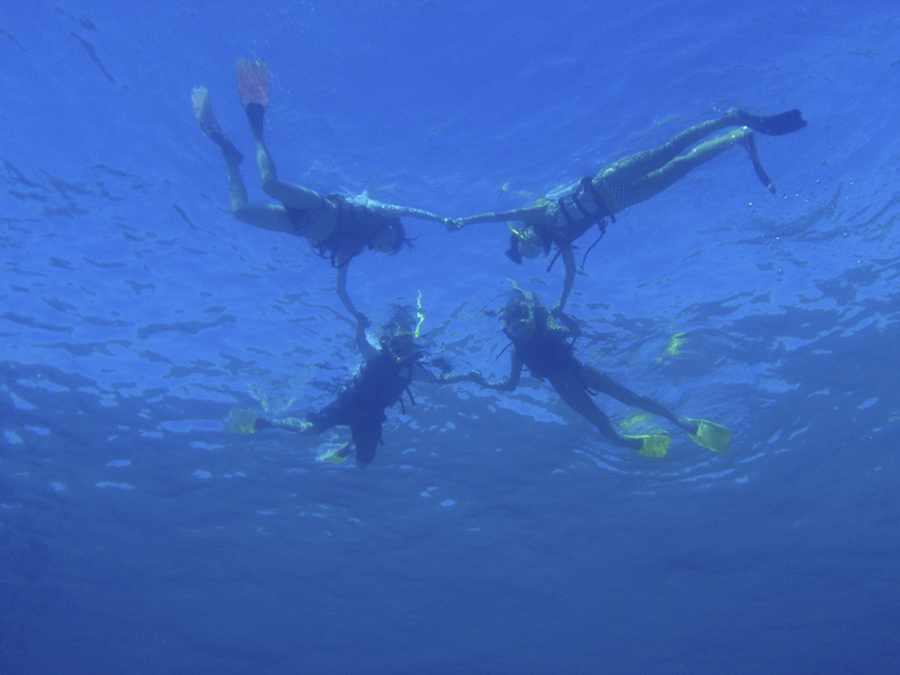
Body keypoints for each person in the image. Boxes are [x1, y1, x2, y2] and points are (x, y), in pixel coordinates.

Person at [445, 108, 807, 310]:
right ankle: (738, 136)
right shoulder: (561, 243)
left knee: (668, 150)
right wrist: (561, 304)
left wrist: (465, 220)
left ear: (522, 236)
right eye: (530, 253)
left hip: (608, 182)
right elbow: (569, 275)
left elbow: (496, 216)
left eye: (524, 246)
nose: (531, 249)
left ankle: (729, 117)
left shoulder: (539, 215)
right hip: (623, 201)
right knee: (683, 168)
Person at [193, 60, 447, 323]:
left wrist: (355, 314)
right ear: (391, 227)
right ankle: (256, 128)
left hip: (297, 226)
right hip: (318, 207)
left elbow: (341, 289)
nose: (384, 245)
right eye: (390, 240)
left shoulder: (353, 248)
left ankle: (230, 156)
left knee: (240, 211)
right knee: (269, 185)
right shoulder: (374, 211)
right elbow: (406, 210)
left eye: (386, 249)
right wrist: (441, 220)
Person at [471, 291, 732, 457]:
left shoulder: (549, 331)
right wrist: (480, 381)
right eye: (514, 328)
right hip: (567, 391)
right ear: (507, 329)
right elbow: (510, 385)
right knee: (602, 423)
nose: (520, 331)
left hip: (584, 373)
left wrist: (563, 316)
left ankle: (681, 423)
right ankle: (629, 444)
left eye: (523, 324)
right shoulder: (518, 354)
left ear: (530, 320)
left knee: (633, 398)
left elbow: (576, 332)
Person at [229, 306, 483, 467]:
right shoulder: (375, 356)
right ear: (389, 343)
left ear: (413, 349)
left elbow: (438, 380)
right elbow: (361, 342)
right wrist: (360, 326)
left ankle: (351, 446)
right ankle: (265, 423)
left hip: (372, 417)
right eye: (397, 345)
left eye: (406, 347)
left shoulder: (412, 370)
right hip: (348, 403)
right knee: (308, 430)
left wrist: (466, 377)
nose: (400, 352)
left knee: (363, 463)